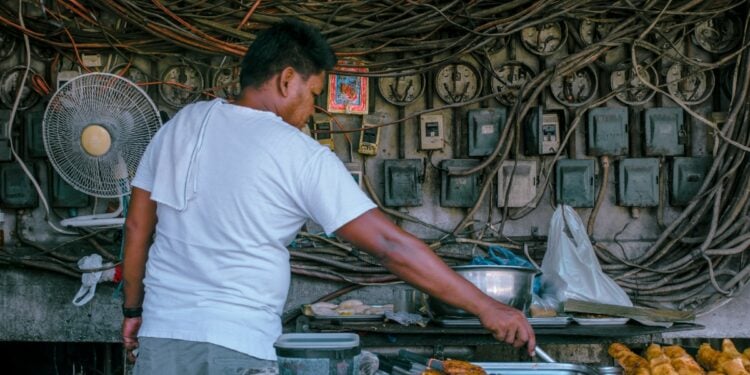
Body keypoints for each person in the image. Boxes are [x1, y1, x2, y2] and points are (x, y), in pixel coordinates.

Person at [121, 18, 535, 374]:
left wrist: (133, 312)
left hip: (162, 340)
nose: (312, 108)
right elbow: (390, 245)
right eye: (314, 93)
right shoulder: (297, 152)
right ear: (287, 80)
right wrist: (487, 307)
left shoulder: (181, 125)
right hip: (239, 345)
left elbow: (138, 225)